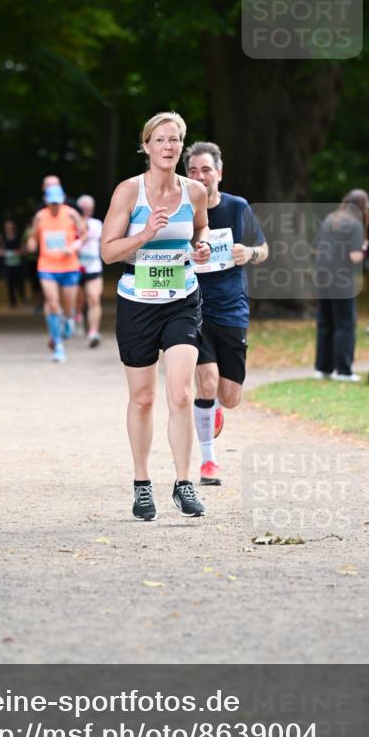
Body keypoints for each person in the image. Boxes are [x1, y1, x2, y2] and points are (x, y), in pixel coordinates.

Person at [101, 111, 212, 521]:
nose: (168, 147)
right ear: (146, 146)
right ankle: (142, 484)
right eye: (160, 140)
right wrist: (145, 233)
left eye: (175, 140)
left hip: (182, 297)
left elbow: (201, 229)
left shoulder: (195, 192)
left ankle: (184, 483)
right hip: (136, 301)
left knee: (181, 392)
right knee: (143, 398)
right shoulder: (129, 193)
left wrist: (200, 247)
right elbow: (108, 252)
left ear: (181, 147)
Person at [184, 143, 268, 485]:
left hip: (232, 309)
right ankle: (208, 462)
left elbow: (263, 250)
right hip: (193, 307)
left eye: (205, 170)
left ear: (219, 173)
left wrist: (247, 252)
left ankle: (215, 408)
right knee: (205, 381)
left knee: (230, 396)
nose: (199, 176)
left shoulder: (238, 207)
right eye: (192, 171)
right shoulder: (182, 208)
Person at [313, 189, 369, 383]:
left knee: (325, 322)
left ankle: (322, 368)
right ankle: (344, 371)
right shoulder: (354, 224)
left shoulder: (330, 218)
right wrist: (364, 248)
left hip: (322, 275)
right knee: (345, 324)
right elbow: (355, 257)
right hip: (342, 279)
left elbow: (316, 246)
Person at [27, 185, 85, 362]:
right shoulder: (40, 217)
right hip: (47, 267)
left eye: (58, 203)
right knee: (52, 304)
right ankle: (58, 345)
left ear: (63, 200)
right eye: (52, 203)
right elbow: (32, 236)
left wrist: (74, 246)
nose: (55, 207)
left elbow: (83, 234)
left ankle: (68, 319)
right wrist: (31, 243)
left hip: (69, 266)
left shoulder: (71, 214)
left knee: (68, 306)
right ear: (46, 202)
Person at [75, 194, 104, 347]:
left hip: (93, 266)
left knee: (93, 298)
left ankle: (93, 332)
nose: (87, 210)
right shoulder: (71, 223)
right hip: (75, 266)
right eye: (84, 208)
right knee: (78, 300)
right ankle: (78, 317)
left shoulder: (97, 224)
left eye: (89, 207)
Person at [0, 218, 25, 308]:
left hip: (18, 264)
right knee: (9, 283)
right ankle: (12, 301)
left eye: (10, 227)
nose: (8, 229)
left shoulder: (18, 237)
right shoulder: (3, 238)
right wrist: (4, 253)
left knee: (19, 281)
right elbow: (0, 250)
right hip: (7, 264)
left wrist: (18, 252)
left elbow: (23, 249)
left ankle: (22, 298)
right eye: (7, 227)